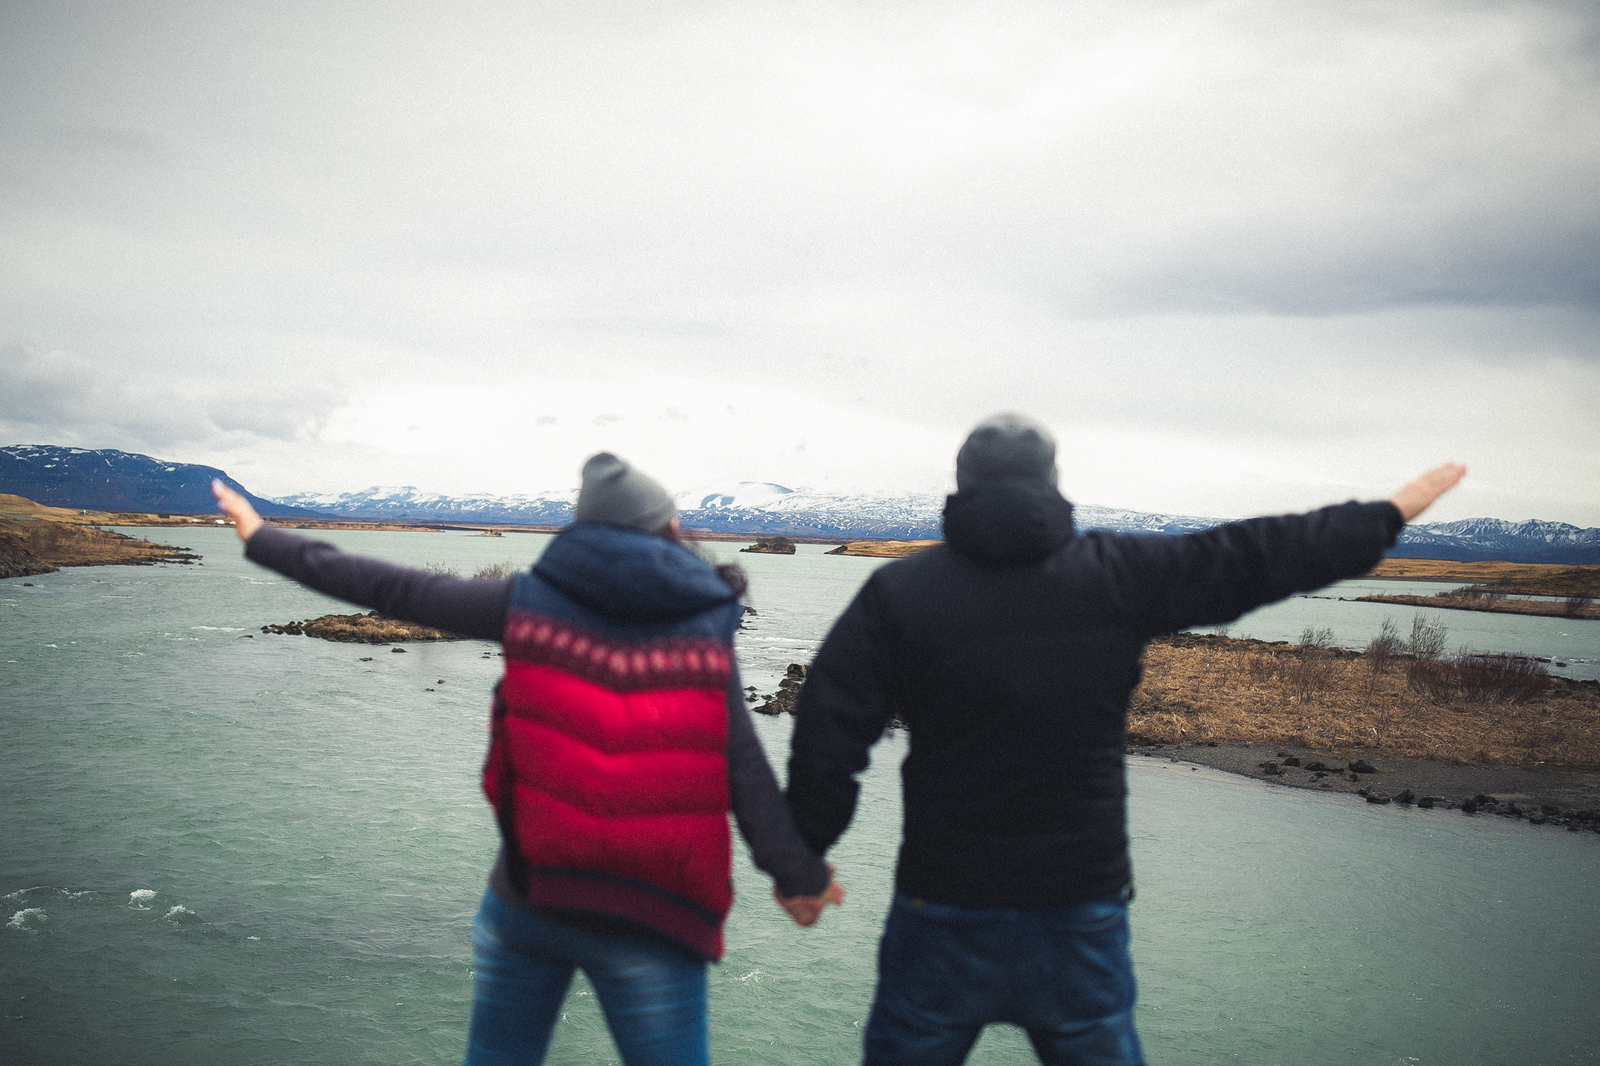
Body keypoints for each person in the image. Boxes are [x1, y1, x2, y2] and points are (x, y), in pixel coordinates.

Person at [783, 413, 1465, 1066]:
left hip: (943, 905)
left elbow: (828, 730)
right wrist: (1387, 514)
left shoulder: (901, 591)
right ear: (1053, 483)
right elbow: (1254, 556)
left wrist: (804, 861)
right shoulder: (1113, 574)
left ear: (959, 484)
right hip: (1079, 907)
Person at [213, 453, 844, 1066]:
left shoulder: (525, 603)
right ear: (669, 530)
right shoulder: (703, 627)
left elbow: (390, 587)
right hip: (657, 915)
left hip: (531, 897)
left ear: (581, 532)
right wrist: (796, 876)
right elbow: (742, 763)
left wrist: (262, 536)